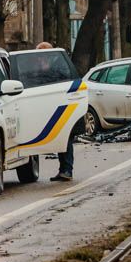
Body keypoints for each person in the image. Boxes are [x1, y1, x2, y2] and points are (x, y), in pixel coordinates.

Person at [37, 41, 75, 182]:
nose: (39, 59)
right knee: (58, 139)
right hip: (48, 108)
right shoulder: (39, 69)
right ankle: (63, 170)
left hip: (61, 107)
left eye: (41, 56)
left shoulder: (58, 68)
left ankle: (67, 170)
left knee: (65, 138)